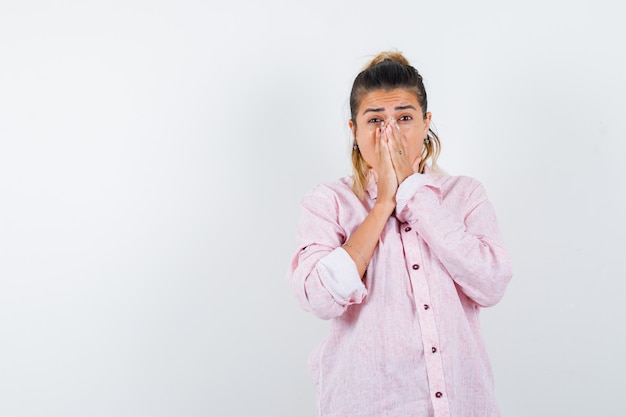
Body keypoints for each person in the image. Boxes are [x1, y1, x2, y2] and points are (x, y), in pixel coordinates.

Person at [288, 50, 513, 417]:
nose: (388, 132)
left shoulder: (464, 195)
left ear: (426, 124)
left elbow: (491, 284)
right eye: (375, 119)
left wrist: (411, 191)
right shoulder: (328, 202)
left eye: (404, 118)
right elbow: (318, 297)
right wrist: (382, 207)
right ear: (354, 132)